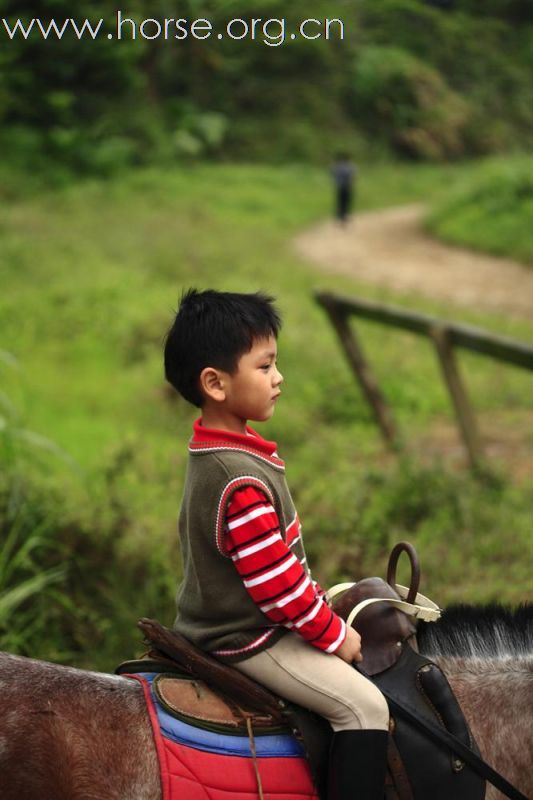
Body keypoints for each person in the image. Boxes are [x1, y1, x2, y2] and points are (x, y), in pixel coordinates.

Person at [163, 289, 389, 800]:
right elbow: (278, 590)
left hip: (244, 620)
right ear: (216, 384)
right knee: (365, 708)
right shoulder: (236, 479)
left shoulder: (221, 452)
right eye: (265, 366)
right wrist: (335, 635)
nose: (278, 377)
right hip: (246, 635)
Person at [331, 154, 357, 225]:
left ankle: (340, 214)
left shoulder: (337, 166)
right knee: (346, 201)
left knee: (340, 201)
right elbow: (353, 177)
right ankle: (345, 214)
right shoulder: (350, 166)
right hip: (347, 187)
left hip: (340, 186)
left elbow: (333, 174)